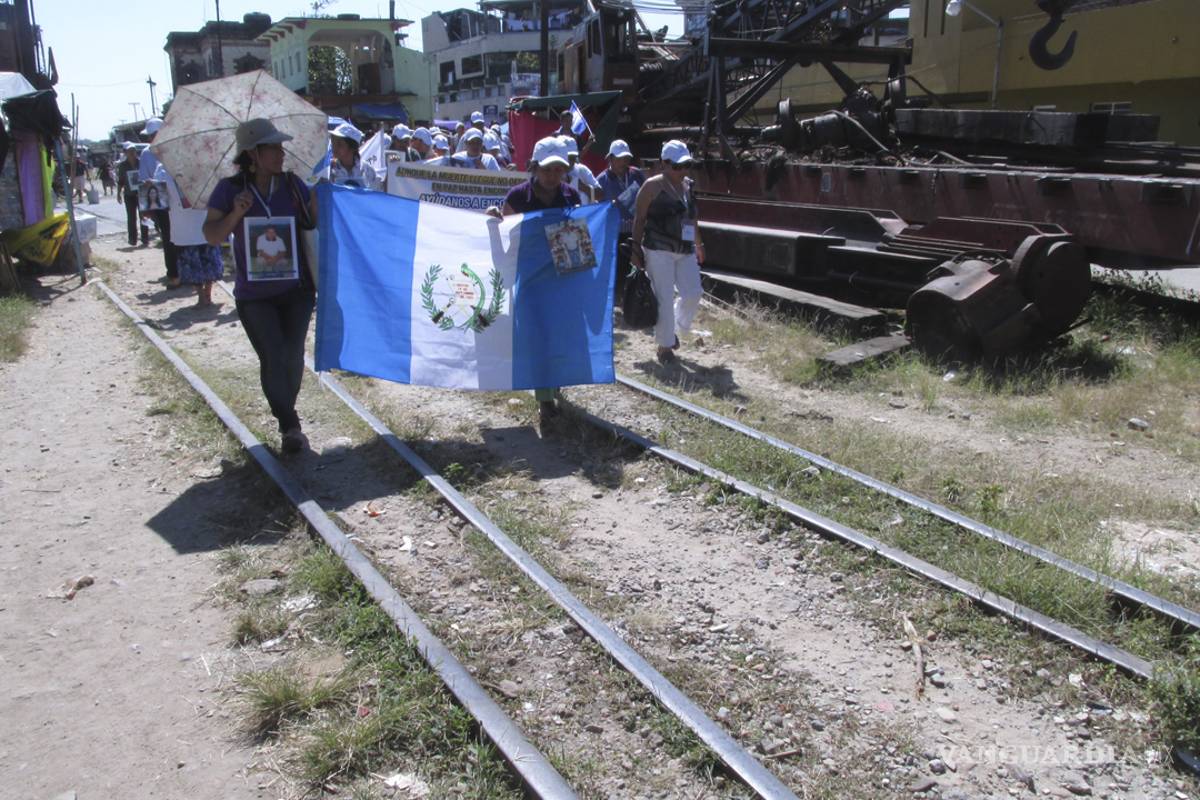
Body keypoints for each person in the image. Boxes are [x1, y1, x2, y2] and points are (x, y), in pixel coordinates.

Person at [203, 118, 317, 454]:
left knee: (294, 357)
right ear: (253, 153)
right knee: (273, 356)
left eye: (281, 148)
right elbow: (212, 235)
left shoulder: (294, 185)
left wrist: (319, 201)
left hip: (297, 290)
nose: (282, 154)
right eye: (274, 148)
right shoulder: (229, 190)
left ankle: (287, 414)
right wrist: (235, 214)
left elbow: (314, 222)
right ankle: (289, 425)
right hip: (255, 296)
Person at [486, 136, 582, 428]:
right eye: (548, 169)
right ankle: (545, 401)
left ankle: (552, 385)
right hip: (528, 279)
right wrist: (493, 222)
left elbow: (579, 241)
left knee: (559, 335)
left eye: (559, 170)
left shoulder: (571, 197)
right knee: (539, 338)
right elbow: (505, 240)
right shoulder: (516, 197)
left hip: (560, 279)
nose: (554, 176)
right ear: (535, 167)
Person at [630, 140, 705, 365]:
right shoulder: (651, 187)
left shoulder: (688, 186)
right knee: (663, 296)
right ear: (664, 164)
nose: (682, 170)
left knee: (693, 292)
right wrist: (635, 250)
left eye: (686, 165)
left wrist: (700, 244)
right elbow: (639, 219)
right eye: (677, 166)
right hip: (657, 248)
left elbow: (692, 218)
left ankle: (676, 327)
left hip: (685, 247)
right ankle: (665, 345)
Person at [157, 160, 223, 308]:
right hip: (184, 226)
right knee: (192, 264)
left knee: (208, 262)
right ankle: (202, 296)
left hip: (203, 221)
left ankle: (207, 295)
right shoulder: (163, 171)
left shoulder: (203, 167)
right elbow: (160, 200)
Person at [596, 139, 645, 293]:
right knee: (618, 269)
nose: (624, 162)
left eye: (626, 159)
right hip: (615, 234)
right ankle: (617, 300)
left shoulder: (636, 174)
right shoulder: (602, 180)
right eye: (620, 159)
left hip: (636, 230)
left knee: (638, 267)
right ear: (610, 158)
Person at [139, 118, 179, 287]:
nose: (152, 138)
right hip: (162, 199)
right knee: (169, 238)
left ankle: (180, 272)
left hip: (176, 200)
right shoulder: (147, 153)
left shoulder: (174, 148)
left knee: (177, 238)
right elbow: (144, 181)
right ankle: (174, 273)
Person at [328, 122, 383, 190]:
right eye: (333, 143)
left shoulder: (367, 170)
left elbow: (377, 193)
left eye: (339, 144)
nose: (334, 147)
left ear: (352, 148)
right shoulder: (328, 169)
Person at [116, 143, 149, 247]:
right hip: (129, 194)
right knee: (131, 217)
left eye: (133, 151)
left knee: (144, 216)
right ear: (125, 153)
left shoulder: (141, 163)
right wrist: (118, 193)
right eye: (129, 151)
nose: (132, 153)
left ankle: (145, 238)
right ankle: (132, 239)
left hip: (142, 193)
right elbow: (120, 181)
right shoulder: (122, 166)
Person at [561, 136, 598, 203]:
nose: (570, 160)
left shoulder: (582, 170)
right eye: (567, 156)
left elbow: (600, 194)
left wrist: (583, 187)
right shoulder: (549, 175)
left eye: (572, 157)